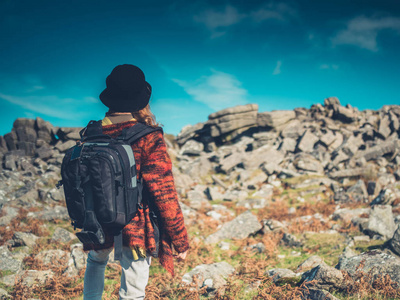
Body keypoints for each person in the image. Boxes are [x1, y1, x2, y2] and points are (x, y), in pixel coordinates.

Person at [82, 64, 189, 300]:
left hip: (95, 219)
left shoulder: (91, 133)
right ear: (141, 98)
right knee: (133, 291)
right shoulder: (148, 136)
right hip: (135, 225)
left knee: (96, 261)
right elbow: (163, 192)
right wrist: (179, 239)